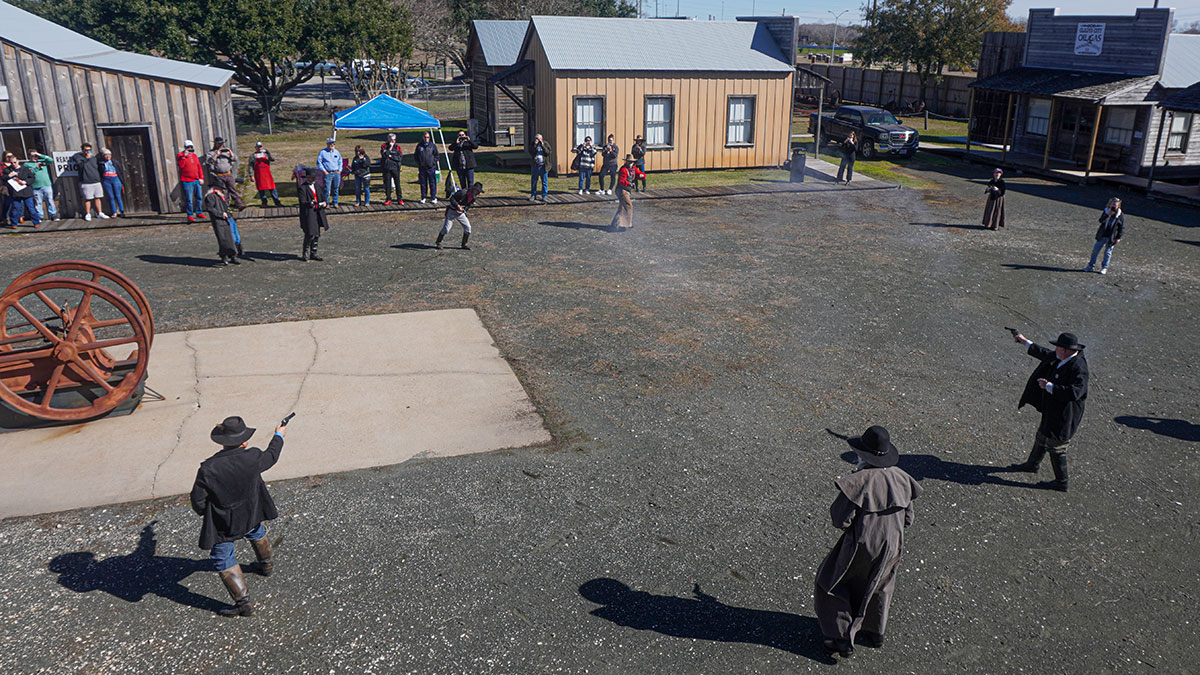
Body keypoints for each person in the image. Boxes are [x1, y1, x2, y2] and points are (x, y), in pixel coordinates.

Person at [814, 426, 921, 658]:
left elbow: (840, 519)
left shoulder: (859, 481)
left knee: (832, 582)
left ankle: (839, 638)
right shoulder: (902, 478)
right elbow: (909, 519)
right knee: (881, 583)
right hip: (893, 542)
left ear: (863, 456)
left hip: (863, 542)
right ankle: (874, 632)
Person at [189, 416, 286, 617]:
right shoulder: (253, 457)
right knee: (256, 530)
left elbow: (198, 499)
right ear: (244, 441)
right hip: (252, 511)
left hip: (224, 521)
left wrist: (205, 513)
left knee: (222, 557)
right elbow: (272, 455)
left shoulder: (209, 468)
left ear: (222, 442)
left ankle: (243, 604)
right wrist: (279, 435)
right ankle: (266, 565)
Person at [1008, 331, 1088, 492]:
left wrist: (1049, 386)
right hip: (1052, 410)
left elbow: (1074, 393)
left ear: (1065, 350)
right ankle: (1032, 465)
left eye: (1058, 347)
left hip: (1065, 416)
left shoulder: (1079, 367)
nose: (1055, 350)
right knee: (1043, 435)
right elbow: (1045, 353)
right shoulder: (1063, 357)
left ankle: (1061, 482)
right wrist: (1025, 342)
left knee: (1057, 446)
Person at [435, 181, 484, 250]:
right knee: (446, 229)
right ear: (473, 189)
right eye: (477, 191)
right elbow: (452, 199)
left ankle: (464, 244)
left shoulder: (473, 198)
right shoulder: (463, 192)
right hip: (452, 211)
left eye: (479, 192)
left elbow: (468, 206)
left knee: (468, 228)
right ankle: (438, 242)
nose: (477, 193)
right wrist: (457, 206)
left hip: (460, 213)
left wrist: (463, 210)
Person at [1084, 198, 1124, 275]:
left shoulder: (1120, 214)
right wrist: (1107, 215)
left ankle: (1104, 267)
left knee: (1107, 253)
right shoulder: (1106, 211)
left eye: (1115, 205)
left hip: (1111, 237)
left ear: (1118, 206)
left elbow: (1122, 227)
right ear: (1110, 204)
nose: (1114, 206)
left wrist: (1118, 237)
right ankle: (1090, 266)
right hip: (1102, 235)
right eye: (1113, 204)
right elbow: (1101, 221)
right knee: (1095, 251)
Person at [203, 184, 239, 265]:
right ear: (215, 189)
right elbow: (210, 209)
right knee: (223, 239)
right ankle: (224, 256)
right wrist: (220, 214)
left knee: (233, 238)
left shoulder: (221, 196)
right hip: (219, 220)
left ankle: (233, 255)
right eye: (220, 189)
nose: (222, 190)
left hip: (228, 218)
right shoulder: (210, 197)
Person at [298, 168, 329, 261]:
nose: (313, 179)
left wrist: (324, 203)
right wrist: (309, 203)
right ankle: (305, 253)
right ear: (307, 178)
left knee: (316, 233)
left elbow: (322, 197)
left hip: (318, 211)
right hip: (309, 213)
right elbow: (302, 201)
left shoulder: (317, 186)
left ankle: (313, 252)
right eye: (311, 177)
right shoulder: (302, 187)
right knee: (310, 233)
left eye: (314, 177)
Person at [71, 143, 107, 221]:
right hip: (85, 182)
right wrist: (87, 158)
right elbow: (80, 165)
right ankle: (87, 214)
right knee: (87, 199)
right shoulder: (79, 158)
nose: (88, 151)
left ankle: (100, 213)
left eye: (89, 150)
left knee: (98, 198)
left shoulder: (94, 158)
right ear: (82, 150)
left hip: (96, 181)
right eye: (86, 150)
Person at [4, 153, 41, 229]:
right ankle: (14, 223)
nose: (13, 164)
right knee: (15, 208)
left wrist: (26, 182)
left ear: (18, 161)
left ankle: (36, 222)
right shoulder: (7, 170)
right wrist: (8, 176)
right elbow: (3, 179)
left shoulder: (25, 169)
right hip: (15, 193)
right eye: (11, 163)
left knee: (30, 208)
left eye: (15, 162)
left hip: (26, 191)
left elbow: (32, 178)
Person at [609, 154, 645, 230]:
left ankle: (615, 224)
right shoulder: (623, 169)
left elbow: (638, 174)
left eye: (632, 162)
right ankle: (626, 224)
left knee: (622, 207)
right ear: (626, 162)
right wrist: (630, 185)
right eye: (629, 162)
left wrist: (642, 175)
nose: (630, 163)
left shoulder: (634, 168)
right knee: (628, 205)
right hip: (621, 190)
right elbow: (622, 181)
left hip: (627, 189)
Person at [205, 138, 244, 209]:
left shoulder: (226, 152)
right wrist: (216, 154)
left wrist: (231, 153)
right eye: (218, 143)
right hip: (218, 175)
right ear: (215, 143)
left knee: (233, 190)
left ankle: (239, 204)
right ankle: (224, 207)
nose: (220, 145)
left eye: (221, 143)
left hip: (228, 174)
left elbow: (235, 159)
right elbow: (208, 162)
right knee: (223, 192)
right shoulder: (211, 153)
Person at [24, 149, 58, 221]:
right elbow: (30, 173)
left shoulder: (42, 161)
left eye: (35, 156)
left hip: (46, 184)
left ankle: (53, 215)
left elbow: (50, 160)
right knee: (38, 202)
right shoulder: (27, 164)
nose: (34, 157)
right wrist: (37, 167)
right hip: (35, 186)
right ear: (29, 156)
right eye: (32, 156)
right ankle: (39, 216)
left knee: (50, 200)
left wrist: (39, 155)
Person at [177, 140, 207, 222]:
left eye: (191, 147)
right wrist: (184, 156)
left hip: (196, 180)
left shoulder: (194, 155)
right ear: (185, 147)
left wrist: (201, 178)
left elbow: (199, 167)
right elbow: (181, 166)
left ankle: (199, 212)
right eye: (188, 147)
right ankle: (190, 214)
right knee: (189, 199)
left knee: (199, 197)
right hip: (187, 181)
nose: (189, 149)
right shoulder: (180, 155)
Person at [250, 141, 283, 208]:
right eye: (258, 147)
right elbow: (250, 166)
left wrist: (268, 153)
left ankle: (277, 202)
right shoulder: (253, 156)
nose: (259, 148)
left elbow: (272, 159)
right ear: (255, 148)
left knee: (272, 188)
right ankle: (264, 202)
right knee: (261, 190)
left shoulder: (266, 154)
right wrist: (251, 175)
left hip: (267, 175)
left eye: (260, 147)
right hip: (259, 175)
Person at [98, 148, 126, 217]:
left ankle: (122, 211)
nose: (107, 156)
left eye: (109, 155)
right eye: (106, 155)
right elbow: (100, 172)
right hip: (106, 180)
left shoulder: (115, 162)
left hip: (115, 179)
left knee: (118, 196)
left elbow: (120, 171)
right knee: (111, 197)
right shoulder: (101, 163)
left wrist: (122, 181)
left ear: (111, 155)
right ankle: (114, 212)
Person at [413, 132, 439, 204]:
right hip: (422, 168)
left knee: (432, 183)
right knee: (423, 183)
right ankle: (423, 197)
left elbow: (437, 155)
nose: (426, 139)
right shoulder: (419, 146)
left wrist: (433, 162)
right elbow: (416, 156)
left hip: (431, 167)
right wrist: (419, 163)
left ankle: (433, 197)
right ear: (422, 137)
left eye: (427, 137)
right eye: (425, 137)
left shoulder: (432, 146)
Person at [316, 138, 343, 208]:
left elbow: (340, 161)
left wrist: (339, 170)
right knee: (327, 190)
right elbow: (319, 163)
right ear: (327, 144)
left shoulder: (337, 152)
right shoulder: (322, 152)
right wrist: (324, 171)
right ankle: (327, 203)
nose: (332, 145)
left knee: (336, 189)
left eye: (333, 143)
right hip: (328, 173)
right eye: (331, 143)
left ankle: (335, 202)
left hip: (336, 173)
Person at [380, 133, 404, 205]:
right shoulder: (384, 146)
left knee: (397, 184)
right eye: (391, 139)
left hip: (395, 168)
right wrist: (390, 148)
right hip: (386, 168)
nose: (392, 141)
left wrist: (391, 156)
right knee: (387, 184)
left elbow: (399, 158)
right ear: (388, 139)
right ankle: (388, 198)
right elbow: (384, 155)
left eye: (394, 139)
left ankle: (399, 199)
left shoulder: (398, 147)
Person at [529, 133, 551, 201]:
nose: (538, 140)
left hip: (543, 166)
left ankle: (544, 195)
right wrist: (535, 145)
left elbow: (548, 152)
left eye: (539, 139)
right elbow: (531, 152)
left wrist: (543, 145)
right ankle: (533, 195)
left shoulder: (545, 143)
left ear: (542, 139)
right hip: (535, 165)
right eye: (537, 139)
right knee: (534, 181)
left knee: (544, 181)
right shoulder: (533, 144)